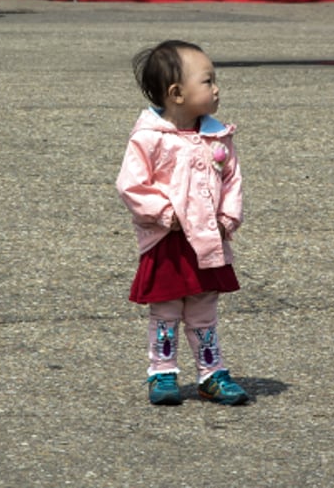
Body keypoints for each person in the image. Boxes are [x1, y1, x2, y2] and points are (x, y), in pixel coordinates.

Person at [116, 40, 249, 406]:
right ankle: (162, 372)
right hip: (169, 240)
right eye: (207, 81)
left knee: (204, 306)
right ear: (176, 94)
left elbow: (232, 179)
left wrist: (228, 216)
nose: (216, 88)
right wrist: (163, 213)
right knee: (166, 307)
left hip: (208, 237)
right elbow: (131, 184)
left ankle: (211, 372)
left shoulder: (217, 137)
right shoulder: (150, 138)